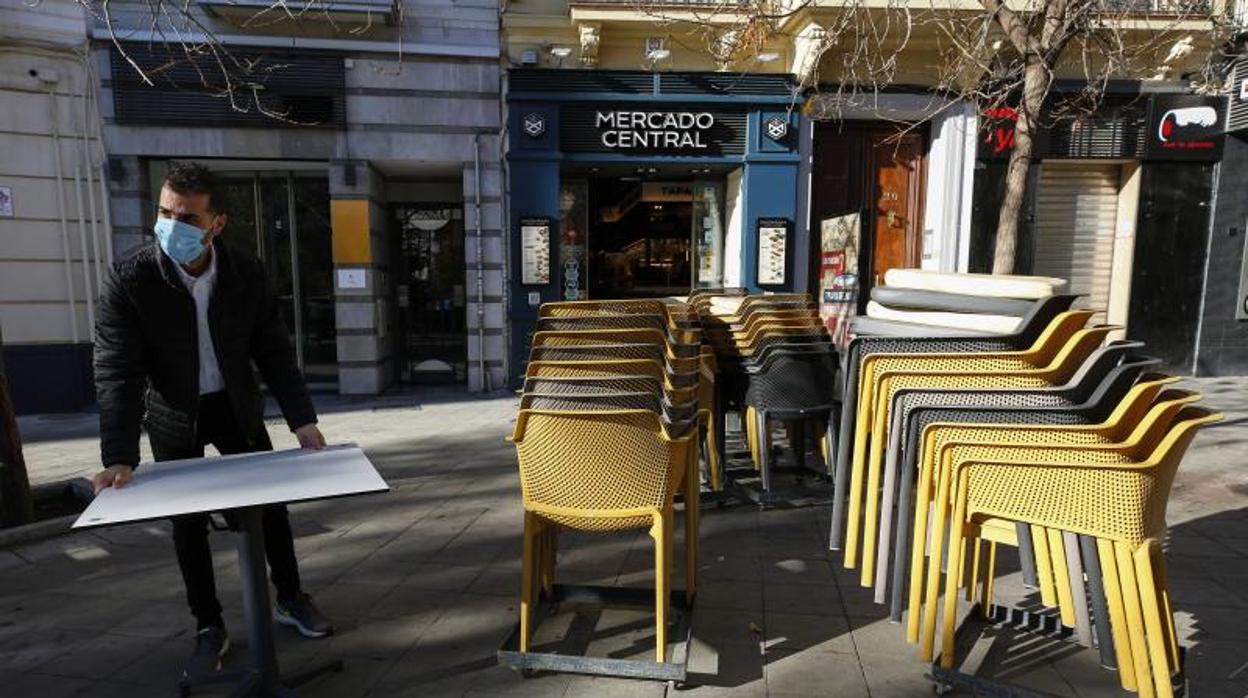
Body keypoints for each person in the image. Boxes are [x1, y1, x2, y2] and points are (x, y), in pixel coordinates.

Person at [92, 163, 333, 679]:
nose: (170, 226)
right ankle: (208, 624)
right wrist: (118, 454)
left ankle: (290, 597)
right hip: (173, 413)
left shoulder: (245, 273)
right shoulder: (131, 277)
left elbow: (273, 350)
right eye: (164, 213)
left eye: (186, 218)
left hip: (234, 407)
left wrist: (303, 421)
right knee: (188, 524)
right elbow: (117, 368)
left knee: (270, 508)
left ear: (216, 224)